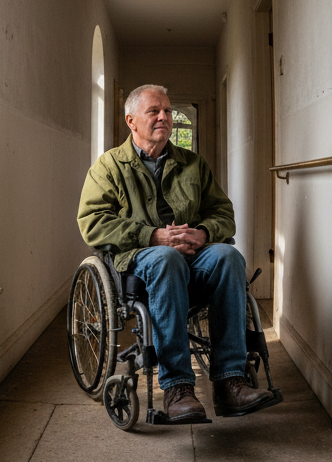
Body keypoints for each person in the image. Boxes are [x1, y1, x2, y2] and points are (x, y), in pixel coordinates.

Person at [77, 84, 273, 422]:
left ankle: (230, 382)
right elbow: (93, 222)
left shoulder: (193, 164)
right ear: (131, 121)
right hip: (140, 260)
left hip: (193, 256)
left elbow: (222, 213)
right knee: (166, 259)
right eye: (154, 111)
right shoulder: (109, 166)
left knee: (228, 257)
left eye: (167, 111)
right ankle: (177, 388)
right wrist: (152, 236)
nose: (164, 117)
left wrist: (203, 233)